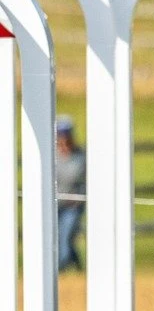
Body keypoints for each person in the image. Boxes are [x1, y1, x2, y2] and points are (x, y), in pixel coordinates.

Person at [55, 116, 87, 273]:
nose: (63, 139)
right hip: (55, 206)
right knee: (60, 238)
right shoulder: (52, 157)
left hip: (73, 206)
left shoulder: (81, 157)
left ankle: (59, 270)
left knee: (66, 237)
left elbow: (86, 180)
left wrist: (80, 199)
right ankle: (78, 268)